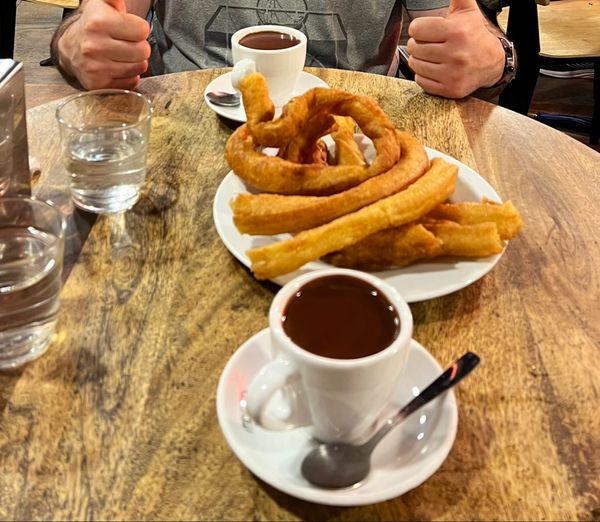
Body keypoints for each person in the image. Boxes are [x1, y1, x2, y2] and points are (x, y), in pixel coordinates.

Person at [51, 0, 512, 99]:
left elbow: (464, 30)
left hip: (348, 136)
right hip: (179, 132)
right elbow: (94, 21)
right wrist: (75, 43)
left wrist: (493, 57)